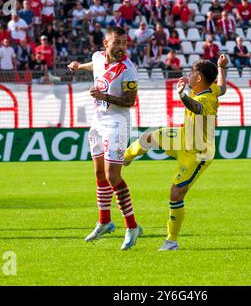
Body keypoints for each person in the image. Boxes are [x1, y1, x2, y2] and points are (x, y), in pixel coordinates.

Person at [123, 55, 228, 251]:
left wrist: (182, 95)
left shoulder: (205, 99)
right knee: (150, 136)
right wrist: (222, 68)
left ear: (198, 78)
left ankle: (171, 241)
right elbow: (222, 88)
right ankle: (125, 157)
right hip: (183, 137)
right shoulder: (211, 90)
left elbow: (195, 107)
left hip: (198, 153)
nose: (188, 75)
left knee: (176, 194)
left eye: (192, 73)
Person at [67, 26, 142, 251]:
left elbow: (130, 101)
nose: (121, 47)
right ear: (105, 44)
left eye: (124, 43)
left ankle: (132, 226)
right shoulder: (97, 57)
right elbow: (95, 65)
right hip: (97, 122)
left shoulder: (128, 69)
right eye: (116, 42)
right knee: (99, 173)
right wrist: (80, 67)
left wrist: (104, 96)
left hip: (116, 124)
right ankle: (105, 221)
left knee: (113, 176)